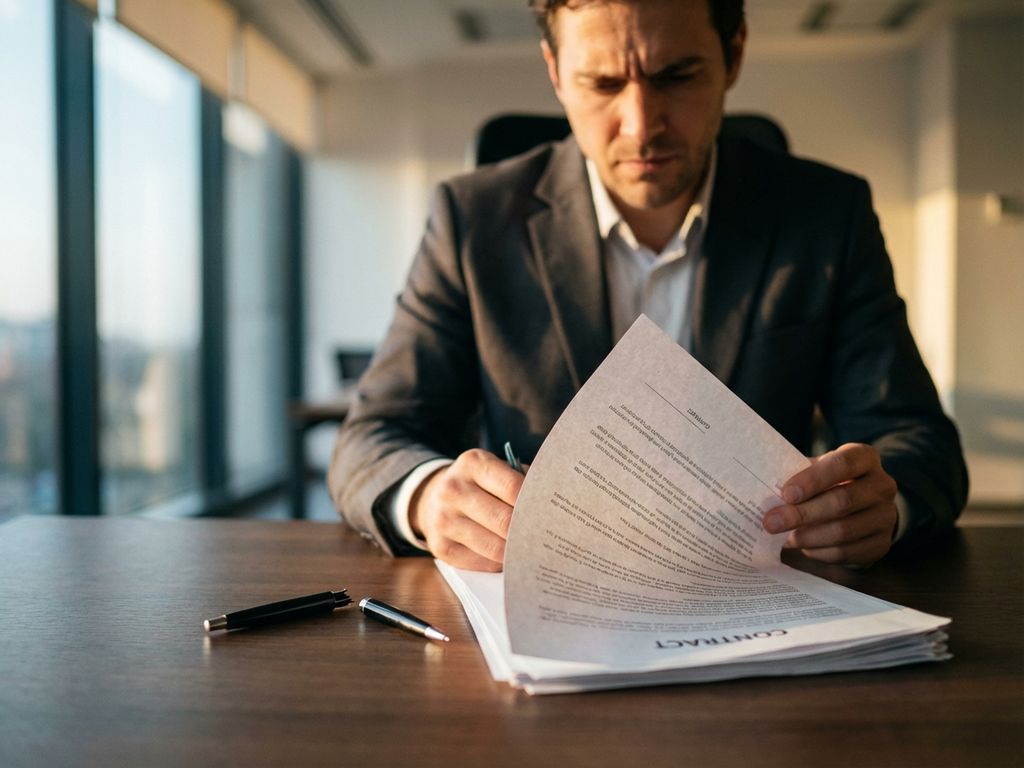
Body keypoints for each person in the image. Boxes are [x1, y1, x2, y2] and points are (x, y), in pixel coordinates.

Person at [328, 0, 967, 572]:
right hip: (548, 606)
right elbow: (370, 438)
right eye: (602, 83)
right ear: (555, 72)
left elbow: (917, 440)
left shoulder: (827, 215)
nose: (640, 125)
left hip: (760, 601)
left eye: (676, 76)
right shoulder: (472, 222)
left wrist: (887, 504)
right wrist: (430, 496)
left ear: (734, 53)